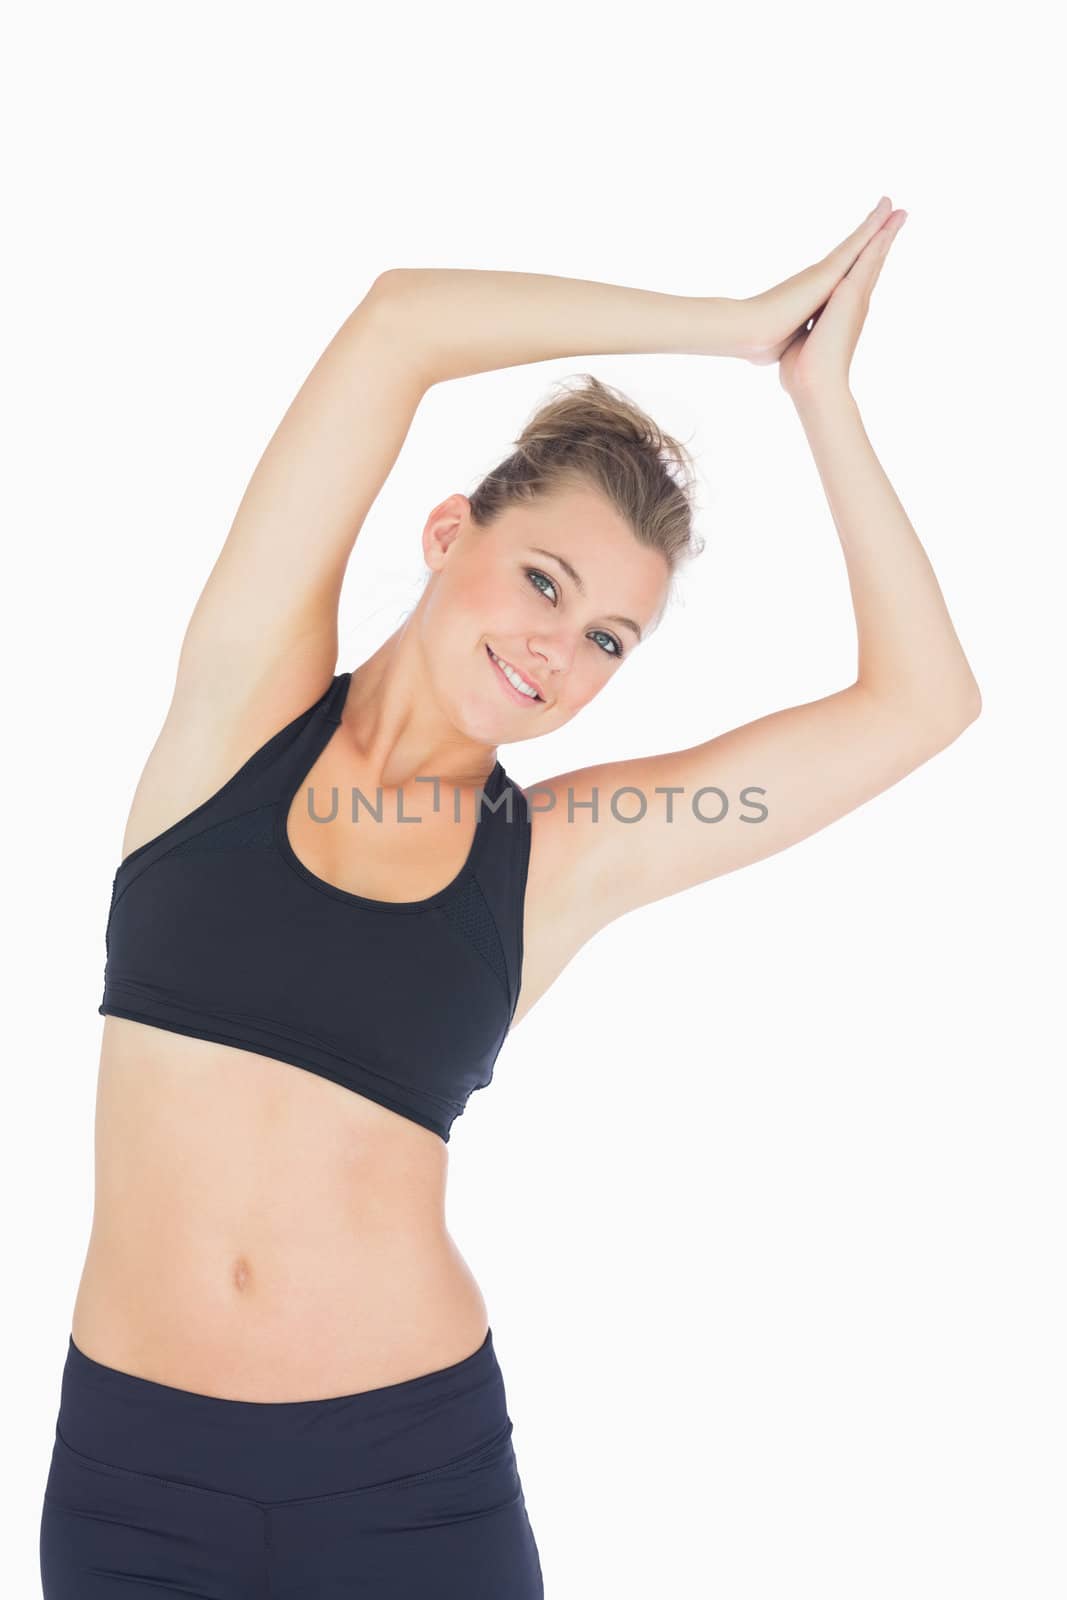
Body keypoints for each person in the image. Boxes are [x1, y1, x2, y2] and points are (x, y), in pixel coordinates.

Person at [39, 196, 980, 1598]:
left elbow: (923, 704)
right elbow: (399, 321)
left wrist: (819, 397)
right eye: (543, 579)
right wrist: (725, 328)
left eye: (608, 637)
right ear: (444, 531)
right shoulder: (238, 717)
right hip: (137, 1487)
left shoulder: (555, 856)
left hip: (405, 1492)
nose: (559, 648)